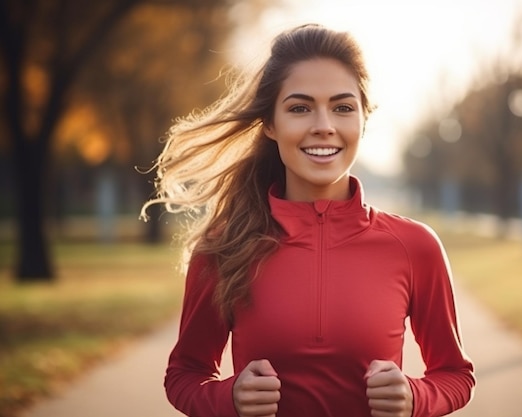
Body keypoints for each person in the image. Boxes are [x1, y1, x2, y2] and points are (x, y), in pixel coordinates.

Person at [141, 23, 475, 417]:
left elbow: (455, 374)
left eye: (343, 107)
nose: (323, 125)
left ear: (363, 119)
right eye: (300, 108)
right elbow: (185, 373)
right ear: (270, 124)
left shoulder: (416, 246)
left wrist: (416, 398)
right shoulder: (224, 247)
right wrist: (227, 399)